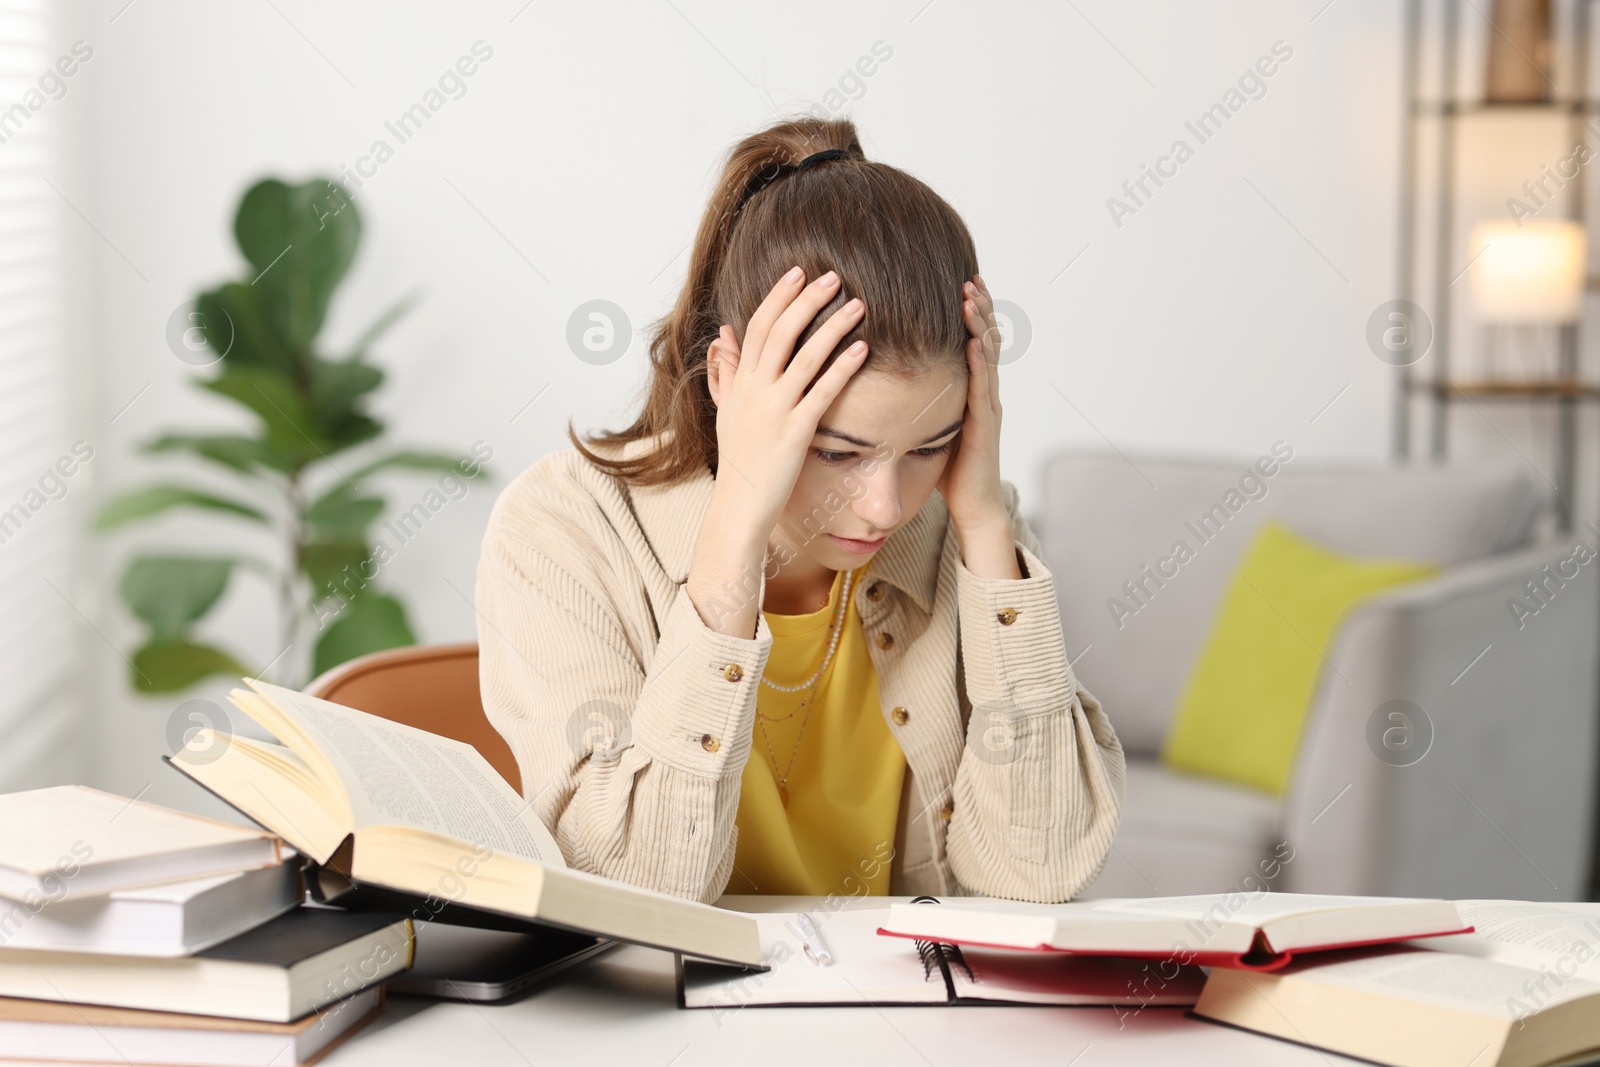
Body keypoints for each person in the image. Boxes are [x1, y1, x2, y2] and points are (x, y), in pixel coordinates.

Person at [474, 116, 1124, 904]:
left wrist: (986, 524)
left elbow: (1038, 872)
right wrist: (737, 528)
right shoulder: (562, 530)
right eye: (838, 453)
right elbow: (634, 897)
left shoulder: (964, 521)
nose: (885, 506)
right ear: (727, 378)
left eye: (930, 446)